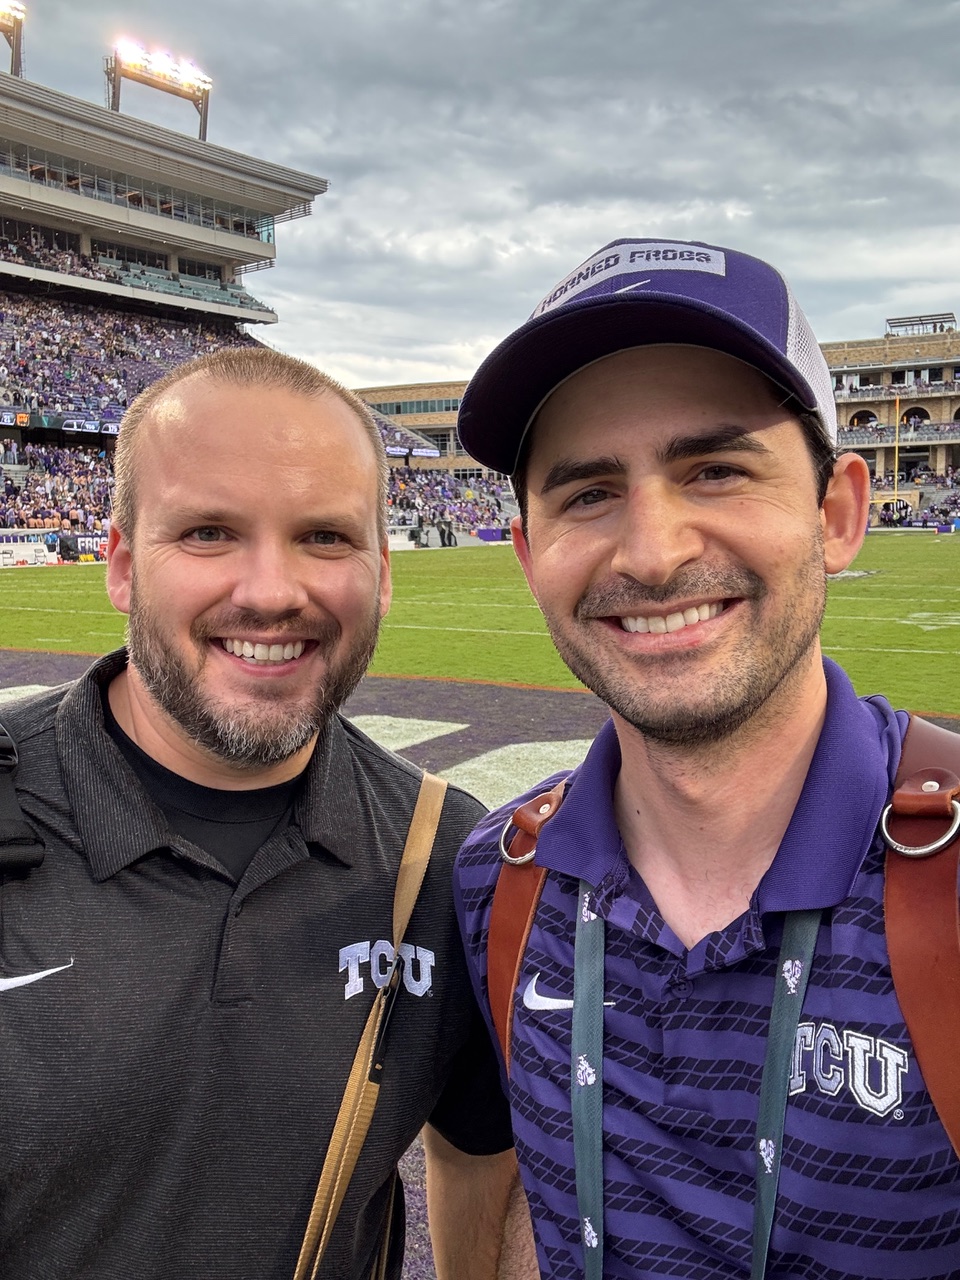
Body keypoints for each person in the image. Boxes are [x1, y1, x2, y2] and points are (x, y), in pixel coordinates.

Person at [453, 238, 960, 1278]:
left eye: (716, 469)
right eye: (587, 492)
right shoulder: (496, 882)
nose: (652, 549)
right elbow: (525, 1194)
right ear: (528, 553)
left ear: (837, 512)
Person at [0, 347, 524, 1280]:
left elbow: (482, 1150)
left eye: (325, 537)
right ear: (120, 565)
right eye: (207, 533)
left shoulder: (446, 854)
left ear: (383, 572)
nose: (272, 592)